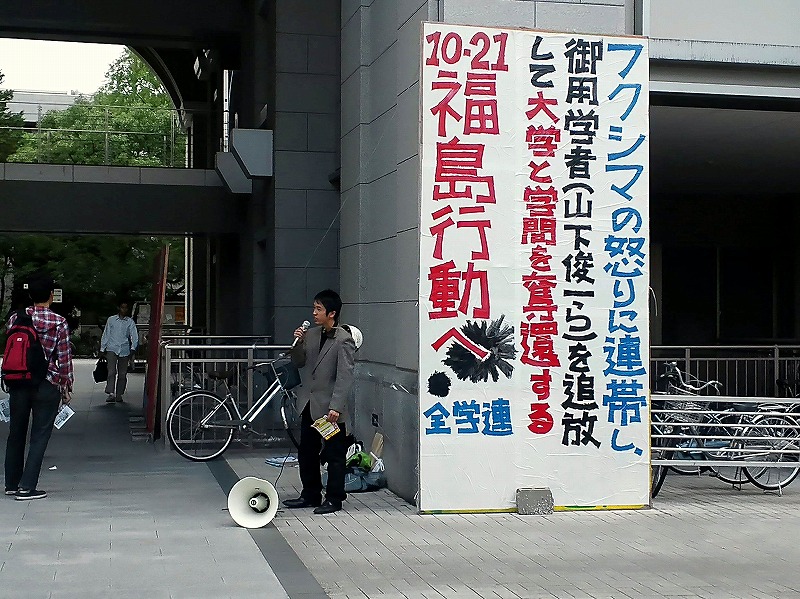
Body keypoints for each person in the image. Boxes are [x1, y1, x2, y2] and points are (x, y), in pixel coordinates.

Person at [284, 289, 356, 515]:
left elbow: (345, 376)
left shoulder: (343, 340)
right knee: (307, 451)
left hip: (330, 408)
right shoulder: (312, 334)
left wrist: (336, 406)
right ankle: (310, 494)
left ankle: (334, 498)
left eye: (319, 309)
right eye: (314, 308)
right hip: (309, 403)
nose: (314, 313)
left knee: (334, 455)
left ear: (331, 313)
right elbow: (299, 362)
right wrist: (297, 343)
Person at [4, 273, 73, 500]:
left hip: (19, 381)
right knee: (40, 435)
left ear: (31, 296)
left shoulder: (16, 318)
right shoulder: (59, 322)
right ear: (51, 296)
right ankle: (27, 487)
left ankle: (11, 484)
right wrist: (66, 385)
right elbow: (64, 358)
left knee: (16, 433)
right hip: (46, 383)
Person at [100, 301, 139, 403]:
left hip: (124, 349)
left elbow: (134, 335)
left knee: (122, 374)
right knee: (111, 371)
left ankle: (119, 394)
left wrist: (133, 348)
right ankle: (111, 393)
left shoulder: (130, 322)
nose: (124, 310)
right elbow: (106, 334)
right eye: (122, 307)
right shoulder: (111, 320)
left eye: (126, 308)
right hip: (112, 347)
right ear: (119, 308)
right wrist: (102, 348)